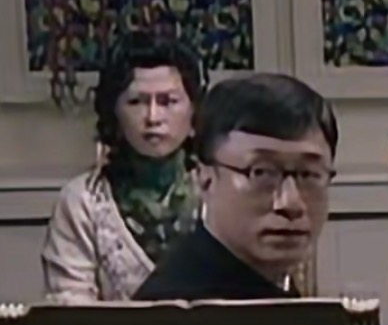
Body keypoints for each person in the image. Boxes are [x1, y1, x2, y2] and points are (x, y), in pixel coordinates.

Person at [133, 73, 336, 300]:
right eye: (261, 172)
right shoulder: (178, 308)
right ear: (204, 178)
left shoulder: (268, 287)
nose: (290, 203)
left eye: (309, 174)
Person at [41, 32, 205, 303]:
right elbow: (70, 309)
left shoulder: (221, 192)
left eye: (168, 101)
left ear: (193, 111)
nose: (153, 117)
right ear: (113, 112)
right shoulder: (82, 203)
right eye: (137, 102)